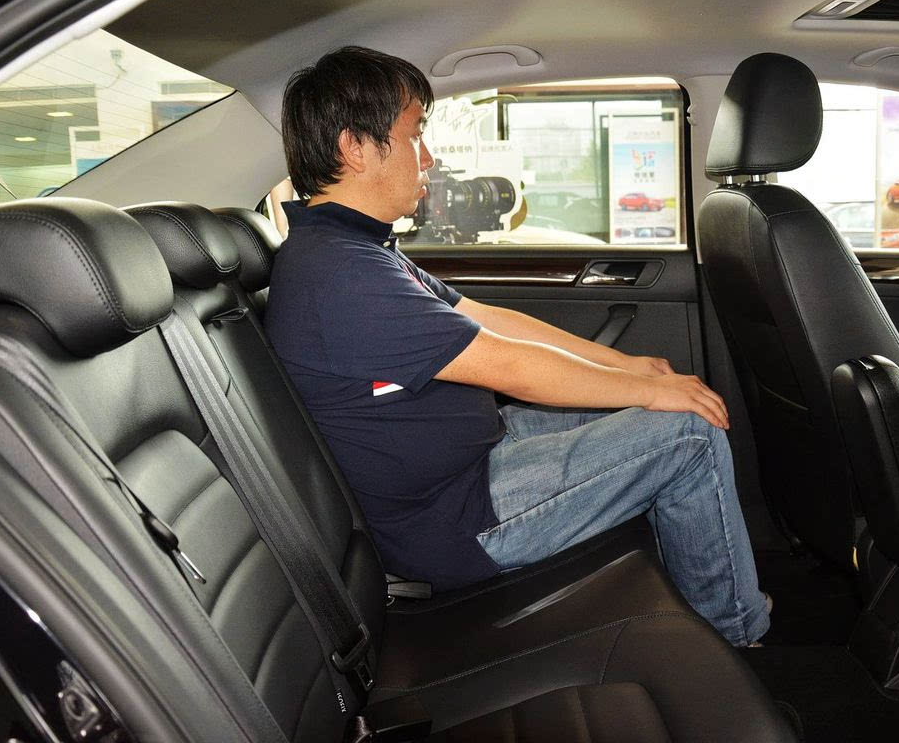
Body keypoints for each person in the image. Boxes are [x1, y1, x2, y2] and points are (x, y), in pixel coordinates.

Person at [264, 46, 770, 646]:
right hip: (458, 518)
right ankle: (739, 632)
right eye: (414, 135)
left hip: (477, 460)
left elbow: (488, 320)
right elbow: (506, 364)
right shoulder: (339, 274)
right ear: (355, 147)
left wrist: (627, 366)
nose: (428, 156)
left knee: (651, 405)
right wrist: (648, 391)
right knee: (689, 434)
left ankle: (699, 593)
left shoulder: (354, 249)